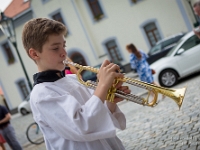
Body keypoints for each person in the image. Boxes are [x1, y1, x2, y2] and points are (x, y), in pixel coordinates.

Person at [22, 18, 130, 150]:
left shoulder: (74, 79)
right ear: (34, 54)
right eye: (56, 48)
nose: (64, 53)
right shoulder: (41, 94)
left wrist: (110, 101)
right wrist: (102, 85)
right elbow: (83, 125)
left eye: (64, 46)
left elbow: (98, 119)